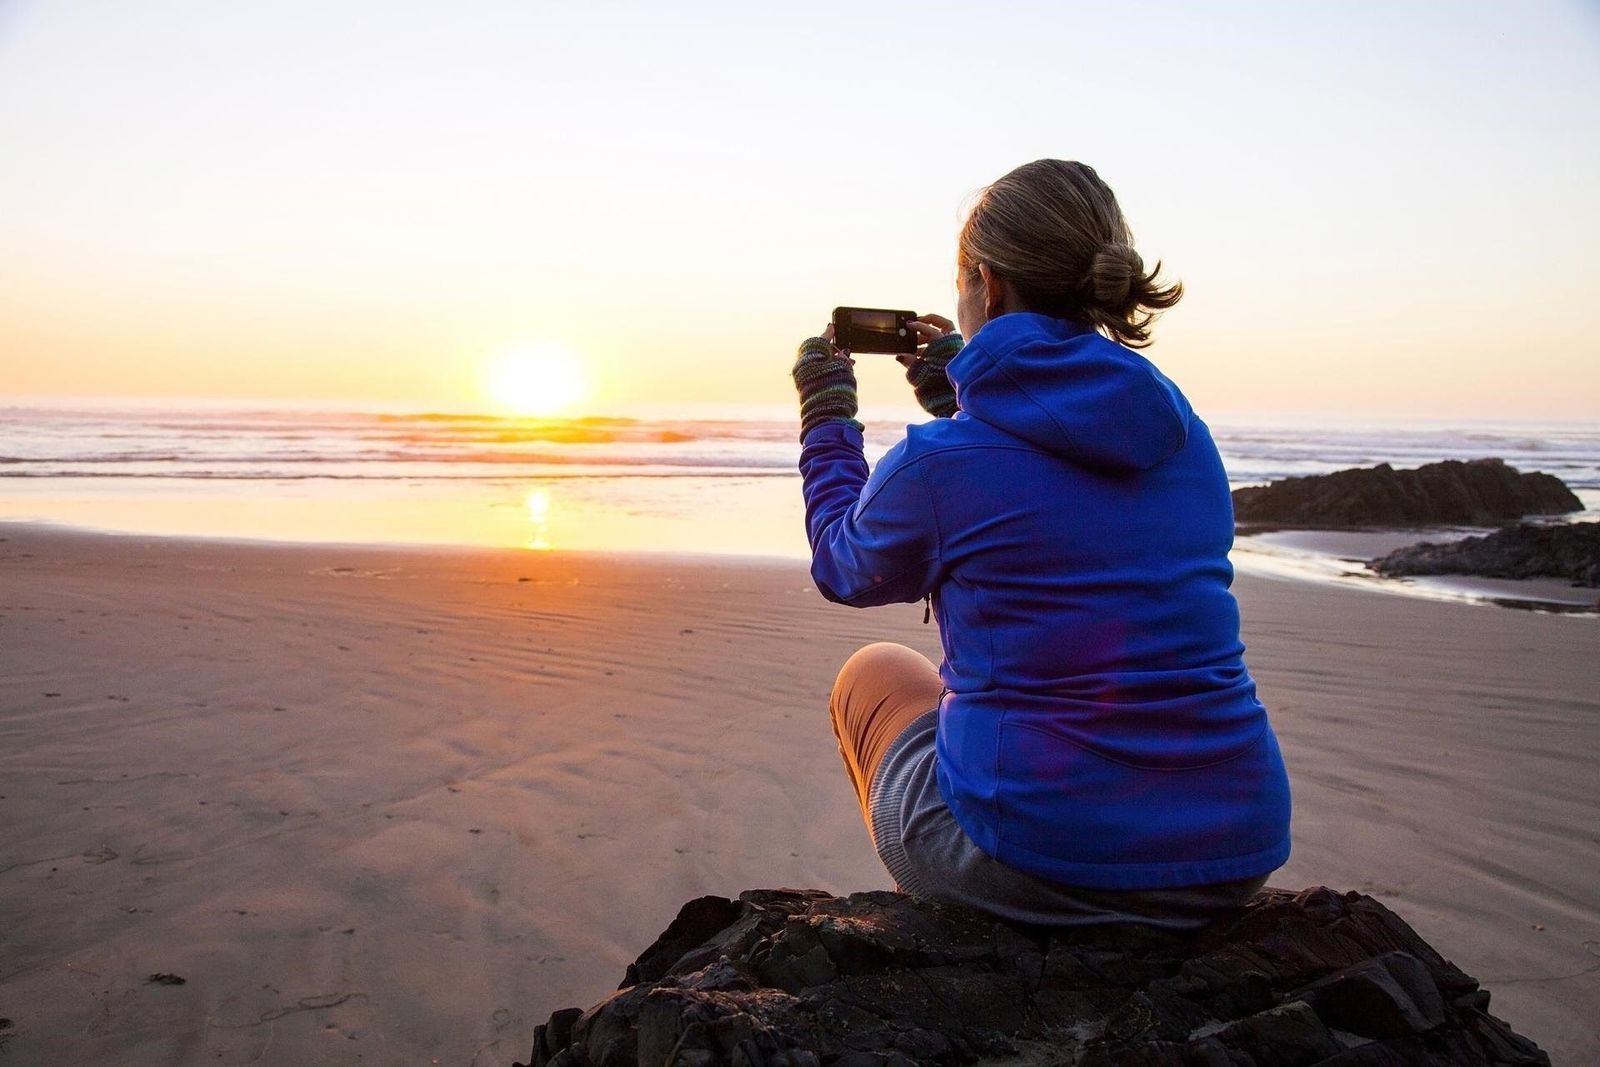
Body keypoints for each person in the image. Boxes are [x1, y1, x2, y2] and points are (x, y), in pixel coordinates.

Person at [789, 159, 1291, 928]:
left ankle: (956, 921)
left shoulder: (938, 466)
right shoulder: (1183, 435)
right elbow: (1056, 480)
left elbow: (843, 565)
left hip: (1039, 857)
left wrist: (827, 418)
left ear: (986, 286)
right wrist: (959, 390)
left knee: (878, 671)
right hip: (1234, 849)